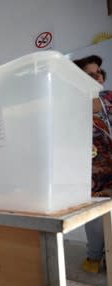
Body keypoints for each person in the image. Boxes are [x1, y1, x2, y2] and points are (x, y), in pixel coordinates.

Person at [73, 55, 112, 273]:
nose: (97, 76)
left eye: (99, 72)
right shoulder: (72, 104)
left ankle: (108, 257)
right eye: (90, 74)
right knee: (96, 219)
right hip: (92, 173)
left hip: (111, 165)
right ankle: (94, 257)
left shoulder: (109, 99)